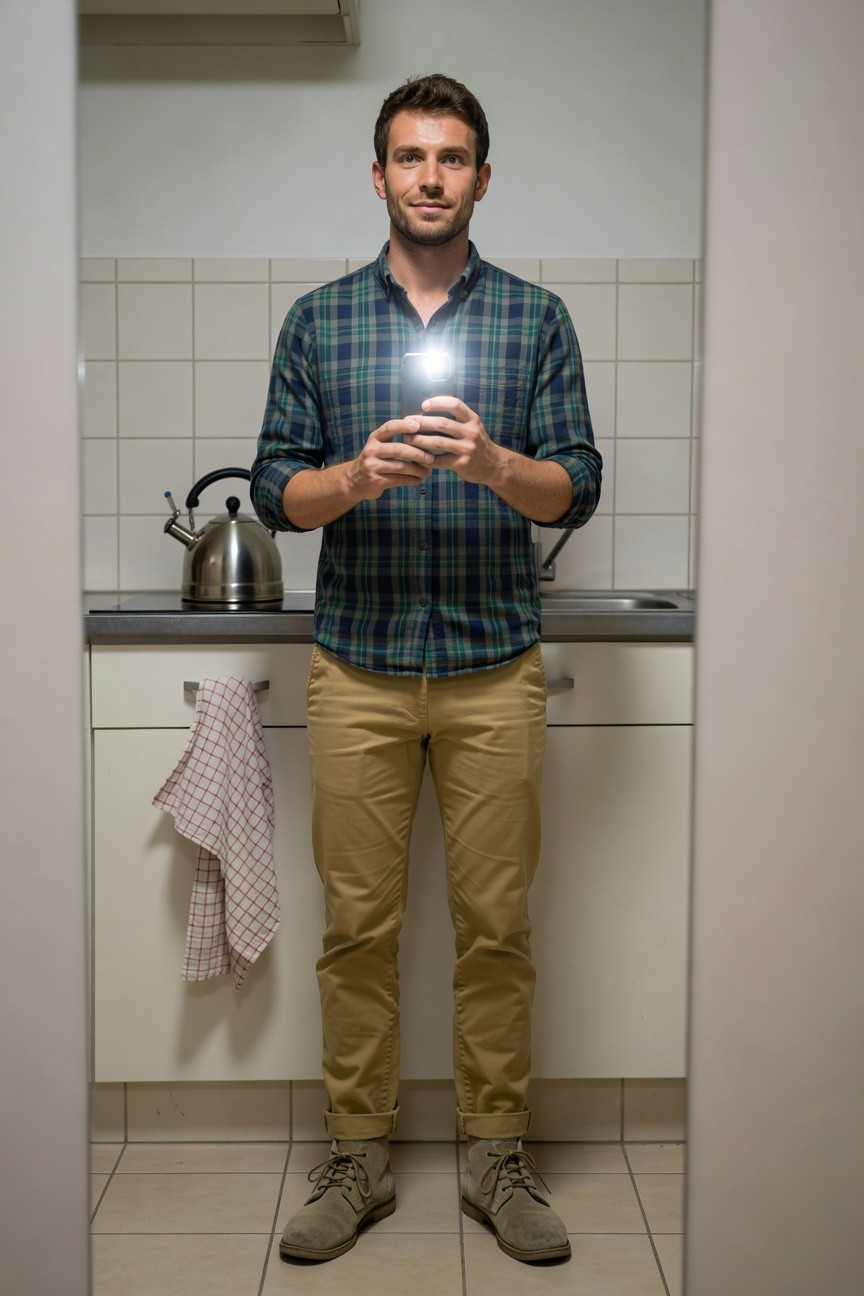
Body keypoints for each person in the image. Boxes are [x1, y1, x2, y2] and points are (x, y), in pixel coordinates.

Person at [251, 72, 602, 1266]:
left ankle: (497, 1157)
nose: (432, 177)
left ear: (483, 178)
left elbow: (578, 484)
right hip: (355, 667)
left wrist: (497, 461)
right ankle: (359, 1156)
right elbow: (275, 494)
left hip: (494, 665)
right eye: (411, 157)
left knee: (496, 926)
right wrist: (355, 478)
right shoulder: (317, 321)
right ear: (380, 175)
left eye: (453, 158)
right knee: (357, 927)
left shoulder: (536, 319)